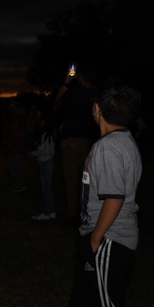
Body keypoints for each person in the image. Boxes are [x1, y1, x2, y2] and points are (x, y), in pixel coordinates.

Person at [34, 84, 149, 307]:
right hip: (101, 236)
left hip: (109, 239)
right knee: (84, 303)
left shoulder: (110, 148)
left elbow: (114, 197)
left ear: (97, 109)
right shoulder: (120, 141)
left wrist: (96, 238)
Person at [55, 67, 98, 224]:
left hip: (70, 141)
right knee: (89, 181)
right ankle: (89, 213)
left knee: (71, 181)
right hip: (90, 142)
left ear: (81, 77)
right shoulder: (98, 95)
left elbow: (57, 103)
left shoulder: (73, 93)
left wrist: (66, 81)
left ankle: (72, 215)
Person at [30, 108, 57, 220]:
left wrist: (34, 153)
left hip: (46, 162)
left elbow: (48, 150)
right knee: (45, 187)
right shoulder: (43, 133)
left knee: (46, 188)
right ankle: (49, 210)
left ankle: (47, 211)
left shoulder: (47, 134)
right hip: (43, 161)